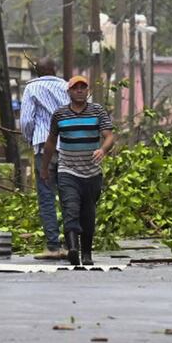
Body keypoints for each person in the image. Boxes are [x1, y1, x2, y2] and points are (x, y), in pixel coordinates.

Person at [40, 76, 114, 266]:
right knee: (70, 209)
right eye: (75, 88)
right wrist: (45, 168)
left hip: (92, 173)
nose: (79, 90)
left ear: (88, 91)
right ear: (69, 92)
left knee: (88, 213)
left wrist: (103, 150)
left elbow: (109, 136)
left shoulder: (97, 111)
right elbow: (50, 142)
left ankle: (86, 254)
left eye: (83, 87)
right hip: (68, 171)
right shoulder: (60, 114)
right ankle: (73, 249)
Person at [18, 57, 70, 260]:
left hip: (43, 149)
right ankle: (71, 244)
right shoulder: (68, 87)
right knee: (69, 196)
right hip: (68, 148)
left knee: (47, 196)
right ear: (54, 69)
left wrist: (30, 138)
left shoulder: (31, 89)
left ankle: (53, 246)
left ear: (36, 71)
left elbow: (26, 121)